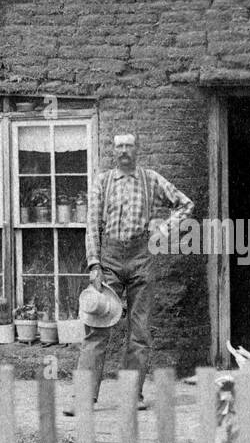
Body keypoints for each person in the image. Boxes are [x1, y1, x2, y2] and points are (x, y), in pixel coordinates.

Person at [63, 133, 194, 416]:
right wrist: (94, 264)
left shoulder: (151, 179)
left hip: (140, 260)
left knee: (140, 332)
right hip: (108, 261)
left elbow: (186, 204)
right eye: (119, 146)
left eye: (129, 146)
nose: (124, 151)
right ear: (113, 150)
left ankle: (132, 394)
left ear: (138, 149)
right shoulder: (103, 181)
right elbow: (92, 225)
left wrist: (162, 230)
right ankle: (83, 397)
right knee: (96, 330)